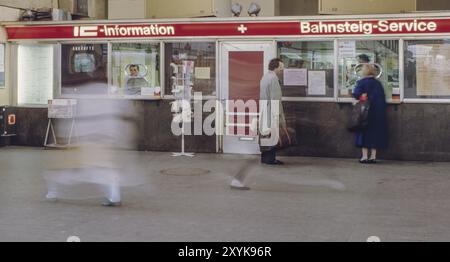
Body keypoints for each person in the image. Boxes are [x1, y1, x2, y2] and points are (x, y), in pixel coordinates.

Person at [352, 64, 388, 164]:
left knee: (364, 133)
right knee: (375, 133)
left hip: (365, 112)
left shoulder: (362, 82)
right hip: (378, 113)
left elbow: (356, 94)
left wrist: (363, 95)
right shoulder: (378, 83)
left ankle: (364, 157)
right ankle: (373, 157)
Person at [259, 58, 287, 165]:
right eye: (281, 67)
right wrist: (278, 115)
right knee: (273, 135)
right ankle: (271, 159)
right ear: (275, 67)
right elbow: (276, 99)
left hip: (265, 110)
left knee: (266, 135)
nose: (282, 69)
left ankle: (265, 158)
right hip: (272, 111)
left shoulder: (265, 77)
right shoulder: (274, 79)